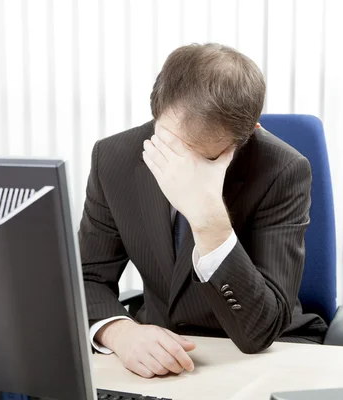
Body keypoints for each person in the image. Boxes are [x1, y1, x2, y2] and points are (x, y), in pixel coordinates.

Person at [78, 43, 327, 378]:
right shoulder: (114, 158)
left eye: (202, 157)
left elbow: (259, 332)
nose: (180, 166)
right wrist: (120, 332)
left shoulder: (282, 169)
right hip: (163, 350)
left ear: (247, 135)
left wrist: (209, 220)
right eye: (170, 143)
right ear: (157, 109)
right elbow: (87, 276)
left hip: (265, 350)